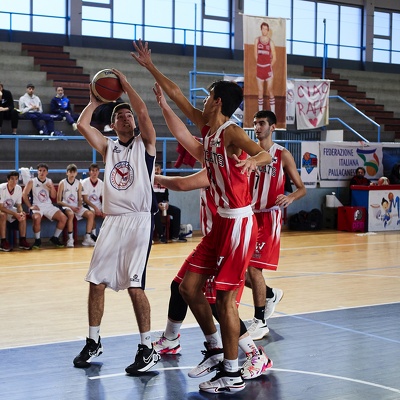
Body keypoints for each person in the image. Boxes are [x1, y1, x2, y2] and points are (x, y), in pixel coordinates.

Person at [132, 40, 271, 393]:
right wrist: (150, 67)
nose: (203, 102)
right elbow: (178, 98)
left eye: (208, 97)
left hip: (239, 223)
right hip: (221, 223)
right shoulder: (207, 130)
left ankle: (232, 370)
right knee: (188, 287)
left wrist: (254, 160)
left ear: (218, 102)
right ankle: (214, 349)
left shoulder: (231, 132)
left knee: (223, 298)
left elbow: (264, 155)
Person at [72, 67, 160, 375]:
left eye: (129, 116)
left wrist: (125, 87)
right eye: (120, 116)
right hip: (112, 223)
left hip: (138, 220)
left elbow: (145, 113)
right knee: (96, 282)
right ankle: (93, 341)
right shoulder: (108, 147)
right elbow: (82, 124)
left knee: (135, 287)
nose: (126, 118)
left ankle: (147, 348)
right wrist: (97, 99)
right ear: (112, 124)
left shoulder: (145, 145)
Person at [152, 168, 273, 381]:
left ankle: (254, 354)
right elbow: (189, 141)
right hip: (211, 240)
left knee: (218, 304)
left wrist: (153, 177)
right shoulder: (210, 157)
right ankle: (176, 340)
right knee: (180, 286)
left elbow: (181, 184)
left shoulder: (218, 170)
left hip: (225, 241)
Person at [245, 110, 306, 340]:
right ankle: (269, 294)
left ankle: (260, 321)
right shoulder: (249, 151)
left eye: (261, 123)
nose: (257, 127)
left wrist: (290, 197)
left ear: (273, 127)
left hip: (268, 217)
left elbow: (301, 188)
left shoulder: (282, 154)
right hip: (249, 215)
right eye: (254, 123)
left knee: (254, 267)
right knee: (241, 272)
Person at [22, 163, 67, 248]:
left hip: (48, 205)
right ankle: (37, 240)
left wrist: (51, 188)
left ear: (47, 172)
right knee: (37, 218)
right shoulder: (32, 181)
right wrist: (30, 206)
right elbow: (24, 194)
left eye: (44, 171)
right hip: (36, 205)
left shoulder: (49, 181)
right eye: (40, 171)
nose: (42, 173)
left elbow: (53, 196)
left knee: (63, 218)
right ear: (37, 172)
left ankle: (55, 238)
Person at [57, 164, 96, 248]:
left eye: (74, 172)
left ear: (76, 173)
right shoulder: (62, 183)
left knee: (90, 214)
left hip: (76, 206)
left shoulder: (78, 183)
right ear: (67, 173)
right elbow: (58, 201)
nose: (72, 174)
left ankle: (87, 237)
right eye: (70, 172)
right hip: (66, 206)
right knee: (70, 214)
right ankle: (70, 239)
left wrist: (79, 206)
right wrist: (71, 207)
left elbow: (79, 199)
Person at [153, 163, 187, 243]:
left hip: (163, 206)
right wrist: (157, 205)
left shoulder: (164, 184)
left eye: (158, 169)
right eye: (155, 170)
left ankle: (175, 236)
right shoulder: (149, 183)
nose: (156, 171)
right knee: (155, 212)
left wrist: (166, 204)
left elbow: (166, 198)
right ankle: (161, 236)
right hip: (153, 206)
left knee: (176, 211)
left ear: (160, 171)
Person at [0, 171, 31, 251]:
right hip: (2, 209)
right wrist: (15, 214)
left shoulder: (18, 188)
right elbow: (1, 208)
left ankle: (22, 240)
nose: (14, 181)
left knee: (22, 216)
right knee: (3, 215)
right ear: (8, 179)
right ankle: (3, 242)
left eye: (16, 179)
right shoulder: (1, 188)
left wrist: (21, 212)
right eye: (12, 179)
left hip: (9, 209)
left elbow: (19, 205)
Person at [254, 22, 276, 112]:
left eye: (266, 29)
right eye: (263, 29)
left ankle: (273, 113)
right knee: (260, 91)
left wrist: (270, 66)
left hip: (267, 68)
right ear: (261, 29)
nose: (264, 31)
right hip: (259, 68)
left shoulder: (271, 42)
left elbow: (274, 56)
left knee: (270, 90)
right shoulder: (257, 40)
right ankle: (260, 112)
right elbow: (255, 54)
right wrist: (259, 63)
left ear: (268, 30)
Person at [81, 163, 104, 241]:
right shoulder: (84, 182)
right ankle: (93, 235)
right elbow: (85, 199)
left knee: (108, 214)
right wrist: (95, 208)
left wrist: (104, 208)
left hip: (98, 204)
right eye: (92, 171)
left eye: (96, 171)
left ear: (99, 172)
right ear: (89, 172)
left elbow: (104, 197)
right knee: (92, 213)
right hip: (87, 204)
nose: (94, 172)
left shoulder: (101, 183)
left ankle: (105, 234)